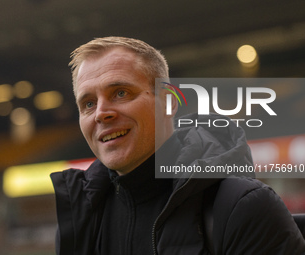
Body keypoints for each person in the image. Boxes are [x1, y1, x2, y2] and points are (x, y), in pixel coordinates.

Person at [50, 36, 305, 255]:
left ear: (169, 102)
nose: (101, 113)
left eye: (120, 93)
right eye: (88, 103)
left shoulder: (245, 207)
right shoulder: (80, 219)